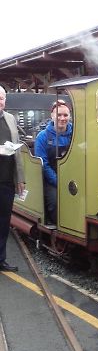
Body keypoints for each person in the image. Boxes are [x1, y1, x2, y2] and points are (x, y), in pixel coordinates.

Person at [34, 99, 72, 224]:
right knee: (55, 201)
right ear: (52, 115)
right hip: (51, 178)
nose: (62, 118)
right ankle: (56, 224)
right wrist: (58, 181)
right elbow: (43, 165)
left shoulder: (76, 134)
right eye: (59, 115)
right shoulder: (42, 137)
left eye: (65, 115)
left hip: (72, 176)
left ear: (69, 116)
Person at [0, 86, 25, 271]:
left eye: (1, 98)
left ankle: (0, 260)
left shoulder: (10, 119)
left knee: (3, 222)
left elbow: (17, 152)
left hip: (6, 181)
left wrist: (20, 179)